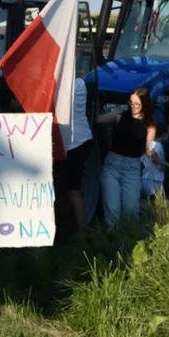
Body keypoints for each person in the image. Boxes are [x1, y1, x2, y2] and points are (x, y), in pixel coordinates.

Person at [98, 87, 156, 227]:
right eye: (131, 103)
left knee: (130, 213)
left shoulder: (149, 126)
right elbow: (97, 119)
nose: (133, 107)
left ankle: (128, 243)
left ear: (144, 105)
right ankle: (112, 245)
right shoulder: (120, 115)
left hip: (132, 169)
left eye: (137, 104)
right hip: (112, 165)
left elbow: (149, 149)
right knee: (112, 212)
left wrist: (152, 151)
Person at [54, 77, 94, 238]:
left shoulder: (71, 85)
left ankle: (82, 234)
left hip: (74, 143)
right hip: (77, 141)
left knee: (72, 190)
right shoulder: (80, 82)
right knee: (68, 190)